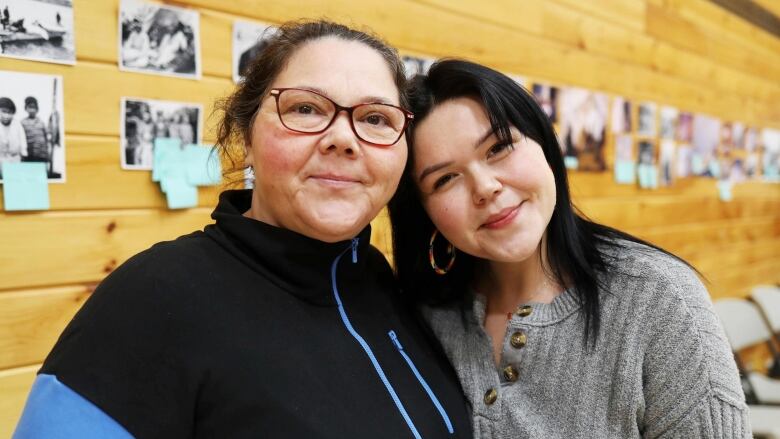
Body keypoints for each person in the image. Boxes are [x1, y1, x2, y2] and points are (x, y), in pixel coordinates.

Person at [14, 21, 471, 438]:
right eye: (307, 108)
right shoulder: (151, 299)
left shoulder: (378, 281)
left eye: (376, 118)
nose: (344, 138)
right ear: (246, 139)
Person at [388, 60, 750, 438]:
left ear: (543, 143)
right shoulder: (424, 314)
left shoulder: (657, 296)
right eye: (445, 179)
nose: (485, 187)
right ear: (424, 210)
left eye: (498, 148)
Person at [0, 97, 28, 175]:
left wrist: (24, 153)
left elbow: (23, 139)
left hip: (15, 158)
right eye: (3, 111)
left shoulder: (17, 124)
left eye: (10, 112)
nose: (6, 115)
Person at [20, 97, 51, 165]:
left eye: (34, 107)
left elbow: (47, 137)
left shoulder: (41, 122)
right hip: (29, 155)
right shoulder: (22, 123)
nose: (32, 110)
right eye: (30, 107)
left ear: (37, 109)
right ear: (26, 109)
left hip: (42, 155)